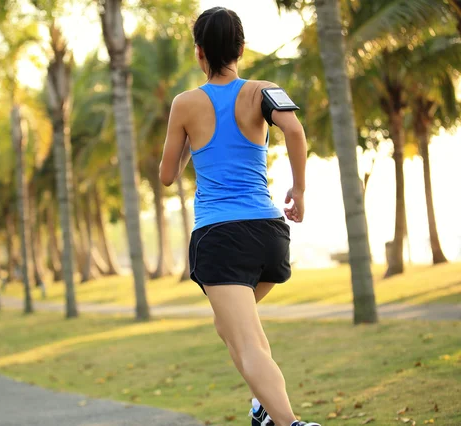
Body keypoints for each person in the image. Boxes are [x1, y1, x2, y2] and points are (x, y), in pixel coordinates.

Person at [159, 6, 320, 426]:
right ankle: (262, 408)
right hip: (268, 236)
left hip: (220, 238)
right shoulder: (263, 90)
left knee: (244, 339)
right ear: (241, 49)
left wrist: (194, 146)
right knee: (231, 328)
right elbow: (295, 131)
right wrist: (298, 190)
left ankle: (289, 424)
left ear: (199, 53)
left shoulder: (185, 103)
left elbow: (166, 176)